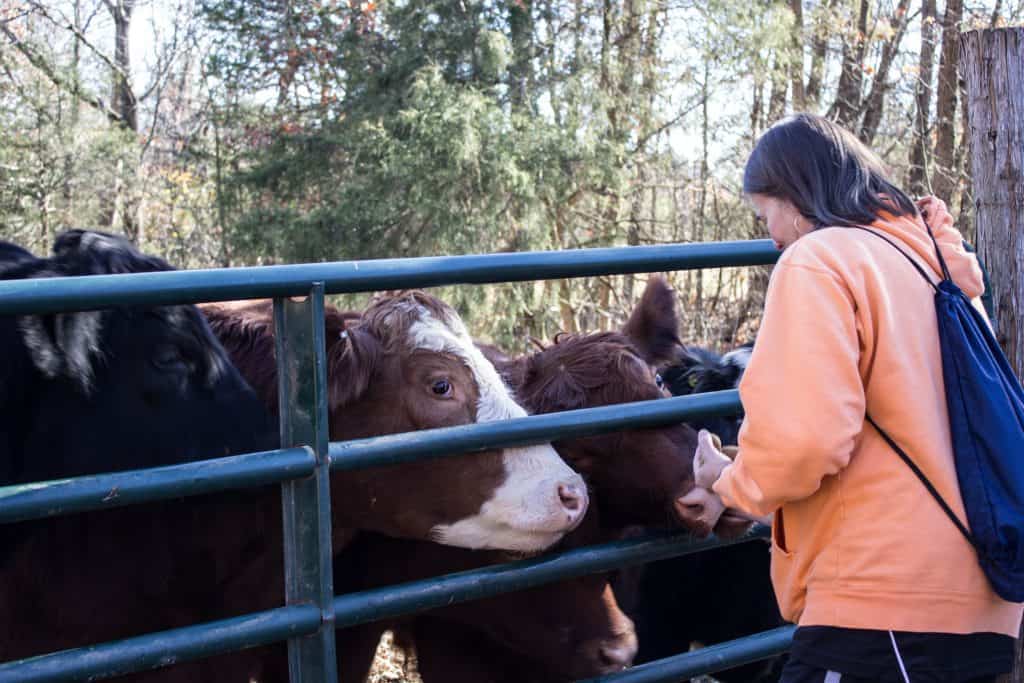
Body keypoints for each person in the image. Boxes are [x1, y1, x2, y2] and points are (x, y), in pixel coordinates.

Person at [686, 113, 1023, 683]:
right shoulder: (932, 262)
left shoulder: (820, 260)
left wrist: (731, 483)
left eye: (767, 213)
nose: (771, 236)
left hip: (883, 604)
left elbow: (806, 439)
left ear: (796, 198)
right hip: (984, 597)